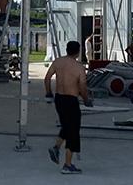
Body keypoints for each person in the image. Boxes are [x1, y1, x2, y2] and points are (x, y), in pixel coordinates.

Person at [45, 40, 92, 174]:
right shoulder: (79, 67)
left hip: (59, 99)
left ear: (66, 50)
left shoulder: (58, 62)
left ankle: (56, 147)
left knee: (66, 125)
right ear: (78, 52)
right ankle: (68, 164)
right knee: (73, 131)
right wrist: (87, 101)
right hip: (71, 100)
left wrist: (48, 93)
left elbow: (47, 77)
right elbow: (83, 88)